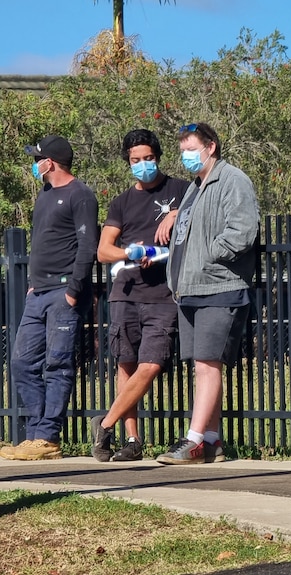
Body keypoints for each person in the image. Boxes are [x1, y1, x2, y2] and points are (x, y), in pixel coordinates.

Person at [157, 122, 259, 464]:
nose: (186, 156)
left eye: (191, 149)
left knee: (207, 365)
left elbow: (242, 231)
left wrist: (208, 256)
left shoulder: (233, 180)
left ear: (210, 146)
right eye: (182, 150)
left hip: (220, 287)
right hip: (190, 292)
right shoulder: (194, 187)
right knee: (203, 366)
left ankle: (194, 439)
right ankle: (212, 440)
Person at [90, 129, 189, 462]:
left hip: (164, 294)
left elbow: (200, 207)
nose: (142, 165)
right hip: (126, 292)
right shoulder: (122, 201)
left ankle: (104, 423)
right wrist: (130, 253)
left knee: (150, 365)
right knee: (126, 364)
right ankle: (132, 441)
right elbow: (103, 251)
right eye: (135, 160)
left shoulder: (180, 190)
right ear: (128, 162)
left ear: (158, 157)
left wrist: (176, 214)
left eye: (148, 158)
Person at [0, 135, 98, 461]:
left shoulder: (80, 195)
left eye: (37, 158)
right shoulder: (45, 194)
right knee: (22, 363)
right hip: (38, 293)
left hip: (63, 293)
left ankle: (46, 436)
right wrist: (32, 284)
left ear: (50, 162)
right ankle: (38, 434)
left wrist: (73, 292)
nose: (34, 164)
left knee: (57, 364)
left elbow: (87, 247)